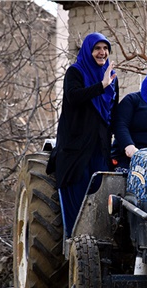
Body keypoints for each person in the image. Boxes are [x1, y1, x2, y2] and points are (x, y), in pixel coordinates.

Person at [46, 32, 118, 237]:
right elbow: (74, 97)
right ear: (88, 50)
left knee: (100, 192)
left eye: (105, 49)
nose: (102, 52)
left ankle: (97, 243)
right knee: (77, 193)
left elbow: (112, 111)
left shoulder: (111, 76)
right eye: (97, 48)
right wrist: (101, 86)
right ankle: (75, 242)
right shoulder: (75, 72)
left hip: (100, 147)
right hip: (76, 147)